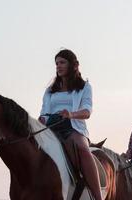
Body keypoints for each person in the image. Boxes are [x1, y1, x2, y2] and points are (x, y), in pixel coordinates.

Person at [39, 49, 102, 200]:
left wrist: (71, 114)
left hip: (73, 127)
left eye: (62, 62)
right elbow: (43, 111)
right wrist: (41, 120)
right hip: (51, 127)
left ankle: (97, 196)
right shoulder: (50, 90)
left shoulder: (84, 87)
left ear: (73, 65)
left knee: (82, 149)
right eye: (56, 63)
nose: (58, 66)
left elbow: (87, 111)